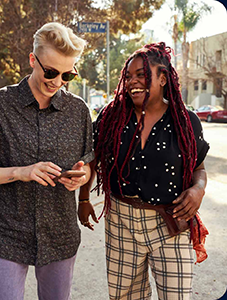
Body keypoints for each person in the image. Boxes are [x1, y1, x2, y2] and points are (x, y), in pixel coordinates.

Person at [0, 22, 95, 300]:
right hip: (7, 235)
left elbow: (88, 164)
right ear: (33, 60)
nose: (57, 81)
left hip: (61, 236)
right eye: (50, 72)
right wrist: (22, 172)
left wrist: (80, 178)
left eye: (68, 75)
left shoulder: (78, 111)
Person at [78, 42, 209, 299]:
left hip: (170, 222)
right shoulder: (111, 117)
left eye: (141, 75)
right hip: (121, 221)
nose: (132, 82)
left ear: (162, 79)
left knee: (176, 296)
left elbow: (199, 167)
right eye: (128, 76)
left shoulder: (185, 121)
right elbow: (91, 159)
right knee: (124, 296)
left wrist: (198, 189)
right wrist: (83, 198)